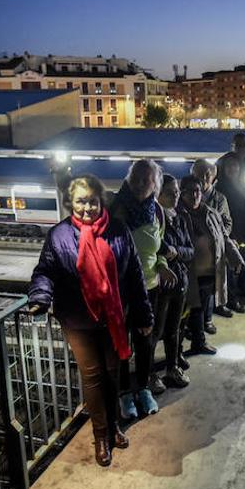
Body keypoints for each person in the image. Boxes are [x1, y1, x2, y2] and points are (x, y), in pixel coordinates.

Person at [28, 175, 153, 467]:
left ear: (101, 201)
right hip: (78, 320)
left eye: (92, 201)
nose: (87, 208)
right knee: (94, 378)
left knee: (113, 374)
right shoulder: (59, 235)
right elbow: (46, 271)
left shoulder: (119, 231)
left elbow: (134, 275)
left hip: (112, 318)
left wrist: (144, 314)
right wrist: (40, 296)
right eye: (81, 201)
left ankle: (113, 427)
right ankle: (101, 437)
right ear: (70, 203)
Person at [109, 159, 174, 415]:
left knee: (145, 341)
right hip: (121, 290)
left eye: (145, 180)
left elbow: (156, 247)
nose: (138, 184)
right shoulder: (114, 208)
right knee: (122, 343)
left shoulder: (157, 211)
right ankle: (125, 394)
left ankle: (143, 389)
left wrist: (161, 264)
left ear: (155, 185)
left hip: (149, 286)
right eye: (134, 178)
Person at [180, 174, 244, 356]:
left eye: (198, 191)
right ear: (182, 194)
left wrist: (235, 258)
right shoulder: (178, 215)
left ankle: (197, 342)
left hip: (209, 272)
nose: (194, 195)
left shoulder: (210, 213)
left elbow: (224, 237)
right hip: (189, 274)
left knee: (199, 309)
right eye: (190, 192)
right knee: (187, 314)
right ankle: (181, 352)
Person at [153, 174, 193, 388]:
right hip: (161, 284)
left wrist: (176, 252)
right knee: (155, 331)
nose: (175, 196)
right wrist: (175, 253)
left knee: (174, 328)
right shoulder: (154, 220)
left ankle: (172, 367)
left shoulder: (180, 216)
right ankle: (150, 375)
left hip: (179, 281)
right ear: (158, 195)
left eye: (177, 192)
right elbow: (158, 249)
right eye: (170, 193)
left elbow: (190, 250)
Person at [191, 159, 233, 323]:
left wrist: (221, 238)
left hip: (213, 251)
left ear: (212, 177)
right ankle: (193, 325)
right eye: (198, 174)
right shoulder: (186, 195)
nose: (202, 178)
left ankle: (207, 320)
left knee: (209, 287)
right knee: (194, 288)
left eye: (206, 174)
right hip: (193, 251)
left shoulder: (220, 199)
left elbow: (228, 221)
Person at [217, 156, 245, 314]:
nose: (233, 169)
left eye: (236, 166)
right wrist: (231, 236)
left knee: (241, 263)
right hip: (230, 233)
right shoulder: (220, 188)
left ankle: (240, 291)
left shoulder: (243, 186)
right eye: (229, 166)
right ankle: (231, 299)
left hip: (243, 230)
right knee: (229, 269)